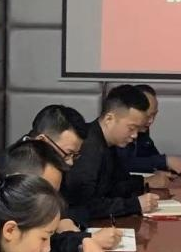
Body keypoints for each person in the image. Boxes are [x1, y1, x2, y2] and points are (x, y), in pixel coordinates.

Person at [3, 139, 128, 252]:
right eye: (46, 191)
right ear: (19, 182)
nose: (52, 201)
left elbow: (46, 249)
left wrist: (80, 243)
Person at [61, 85, 163, 223]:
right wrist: (134, 205)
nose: (135, 135)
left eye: (138, 129)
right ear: (109, 119)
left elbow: (115, 186)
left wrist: (141, 184)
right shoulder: (87, 147)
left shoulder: (110, 144)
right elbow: (82, 206)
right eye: (131, 128)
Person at [115, 84, 181, 175]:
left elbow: (151, 156)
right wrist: (164, 161)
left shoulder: (142, 129)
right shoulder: (118, 130)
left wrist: (164, 167)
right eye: (147, 115)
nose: (151, 120)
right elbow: (122, 163)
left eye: (154, 114)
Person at [25, 104, 89, 169]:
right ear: (41, 141)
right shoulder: (21, 171)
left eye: (75, 156)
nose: (70, 163)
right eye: (68, 154)